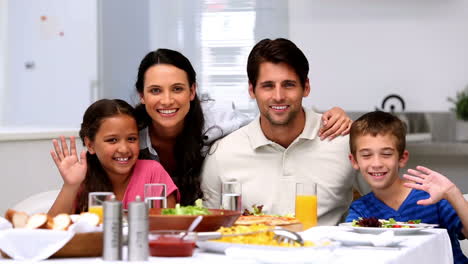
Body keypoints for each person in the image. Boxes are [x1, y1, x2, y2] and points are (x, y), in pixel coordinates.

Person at [134, 48, 353, 206]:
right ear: (141, 96)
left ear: (192, 92)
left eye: (177, 89)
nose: (167, 100)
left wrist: (342, 121)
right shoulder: (129, 137)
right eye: (155, 90)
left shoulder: (220, 124)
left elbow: (268, 121)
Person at [200, 38, 369, 224]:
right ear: (251, 89)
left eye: (288, 85)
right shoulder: (223, 154)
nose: (278, 96)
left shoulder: (343, 140)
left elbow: (388, 199)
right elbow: (210, 227)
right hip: (253, 250)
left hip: (326, 251)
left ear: (306, 87)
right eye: (268, 86)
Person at [346, 110, 467, 263]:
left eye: (386, 154)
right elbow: (353, 252)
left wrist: (452, 193)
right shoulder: (360, 209)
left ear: (402, 158)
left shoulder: (430, 196)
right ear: (354, 161)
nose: (376, 164)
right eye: (366, 155)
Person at [48, 99, 178, 216]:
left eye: (131, 139)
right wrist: (70, 186)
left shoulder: (152, 172)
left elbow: (169, 227)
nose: (124, 149)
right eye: (112, 140)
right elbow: (51, 231)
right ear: (90, 145)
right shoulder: (81, 175)